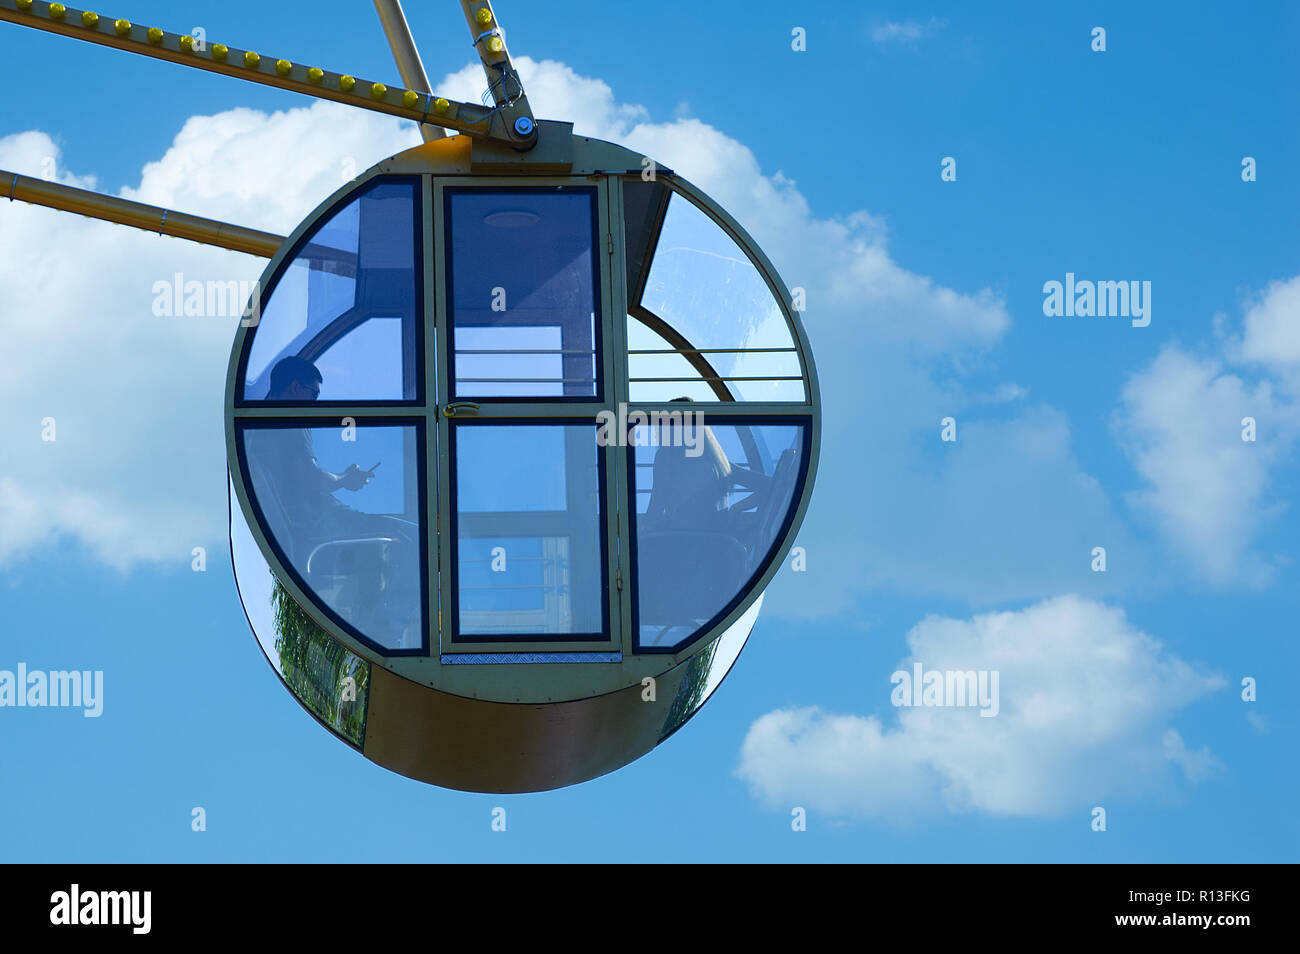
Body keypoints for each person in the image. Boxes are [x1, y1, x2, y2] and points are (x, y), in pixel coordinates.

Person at [249, 356, 420, 646]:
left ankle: (369, 627)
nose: (316, 402)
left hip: (311, 525)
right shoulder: (288, 419)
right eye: (313, 394)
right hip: (321, 523)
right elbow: (309, 478)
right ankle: (383, 630)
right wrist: (345, 479)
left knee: (381, 560)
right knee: (418, 540)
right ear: (294, 388)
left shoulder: (259, 426)